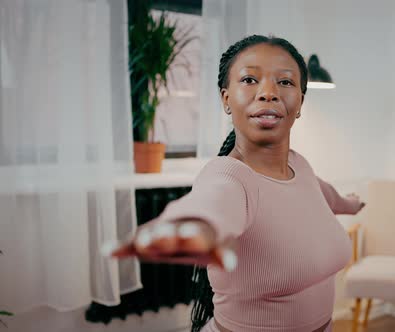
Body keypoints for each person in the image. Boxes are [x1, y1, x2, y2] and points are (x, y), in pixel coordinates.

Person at [104, 35, 365, 332]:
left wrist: (350, 204)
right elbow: (213, 202)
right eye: (250, 79)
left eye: (286, 82)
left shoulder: (299, 166)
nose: (268, 92)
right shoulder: (230, 177)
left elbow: (323, 194)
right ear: (226, 99)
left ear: (301, 103)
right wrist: (192, 225)